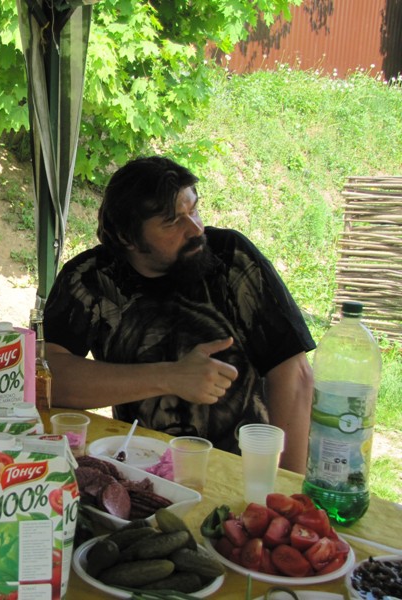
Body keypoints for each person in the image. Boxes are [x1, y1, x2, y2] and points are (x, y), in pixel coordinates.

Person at [43, 156, 315, 473]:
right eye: (172, 222)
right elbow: (48, 379)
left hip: (239, 469)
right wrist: (170, 377)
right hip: (139, 465)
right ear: (128, 237)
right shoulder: (91, 278)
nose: (195, 229)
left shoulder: (231, 259)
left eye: (194, 210)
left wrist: (290, 482)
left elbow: (295, 374)